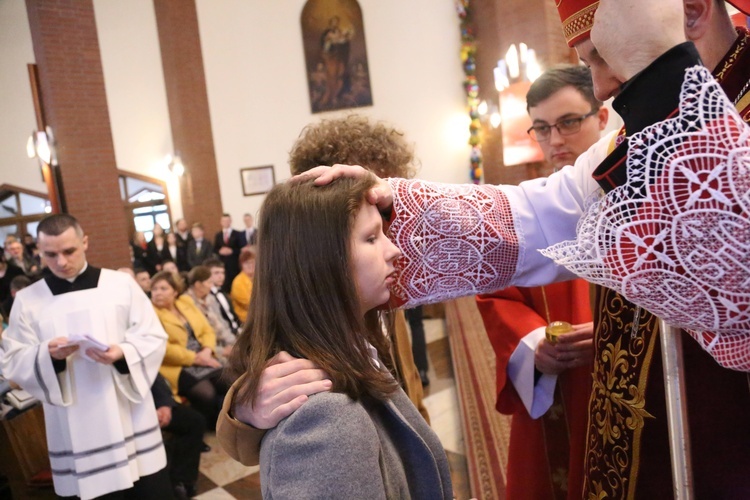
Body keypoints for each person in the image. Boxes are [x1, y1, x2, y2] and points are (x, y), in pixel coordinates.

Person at [297, 1, 750, 496]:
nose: (600, 88)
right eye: (586, 64)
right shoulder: (641, 125)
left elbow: (729, 265)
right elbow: (541, 218)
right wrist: (390, 208)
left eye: (603, 56)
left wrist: (662, 73)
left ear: (692, 10)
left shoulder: (675, 100)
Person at [216, 116, 429, 467]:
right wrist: (245, 410)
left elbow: (404, 375)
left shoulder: (380, 280)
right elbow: (258, 380)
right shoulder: (301, 298)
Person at [226, 177, 452, 498]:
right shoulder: (327, 421)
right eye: (372, 238)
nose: (395, 249)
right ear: (322, 261)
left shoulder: (356, 345)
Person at [475, 65, 602, 500]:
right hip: (561, 385)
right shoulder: (532, 207)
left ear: (602, 116)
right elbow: (495, 288)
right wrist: (532, 344)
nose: (555, 141)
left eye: (568, 122)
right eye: (542, 129)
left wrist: (613, 335)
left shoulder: (645, 192)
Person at [0, 214, 170, 499]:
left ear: (85, 242)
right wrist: (48, 355)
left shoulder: (120, 285)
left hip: (129, 413)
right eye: (50, 254)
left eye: (69, 251)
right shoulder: (28, 301)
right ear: (39, 251)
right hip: (75, 425)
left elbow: (153, 336)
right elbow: (13, 360)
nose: (61, 262)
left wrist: (122, 353)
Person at [151, 270, 228, 430]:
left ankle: (228, 423)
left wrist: (207, 350)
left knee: (230, 381)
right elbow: (162, 348)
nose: (158, 293)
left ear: (175, 291)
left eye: (163, 288)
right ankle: (210, 427)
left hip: (205, 355)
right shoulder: (151, 312)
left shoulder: (185, 302)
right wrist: (196, 358)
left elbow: (207, 329)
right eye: (154, 289)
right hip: (178, 365)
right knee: (206, 393)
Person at [151, 373, 206, 500]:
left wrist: (165, 404)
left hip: (152, 400)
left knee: (195, 421)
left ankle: (182, 481)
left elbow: (153, 374)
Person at [186, 265, 236, 363]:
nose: (211, 286)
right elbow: (197, 338)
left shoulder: (211, 299)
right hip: (208, 351)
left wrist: (235, 344)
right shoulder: (187, 303)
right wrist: (222, 351)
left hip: (225, 344)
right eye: (209, 282)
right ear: (198, 285)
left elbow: (223, 325)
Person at [203, 258, 241, 336]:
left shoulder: (223, 293)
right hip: (226, 336)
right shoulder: (206, 297)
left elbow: (232, 316)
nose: (221, 276)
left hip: (238, 331)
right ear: (206, 274)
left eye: (222, 273)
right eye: (216, 273)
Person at [213, 214, 241, 292]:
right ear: (221, 222)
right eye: (224, 221)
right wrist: (220, 251)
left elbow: (240, 249)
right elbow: (215, 249)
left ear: (230, 221)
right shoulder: (218, 235)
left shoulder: (237, 234)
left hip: (234, 264)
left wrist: (232, 251)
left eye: (227, 220)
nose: (225, 222)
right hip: (223, 264)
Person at [230, 247, 255, 324]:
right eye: (247, 263)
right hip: (245, 320)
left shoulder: (259, 278)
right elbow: (250, 303)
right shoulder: (238, 282)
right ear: (241, 265)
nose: (250, 265)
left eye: (252, 262)